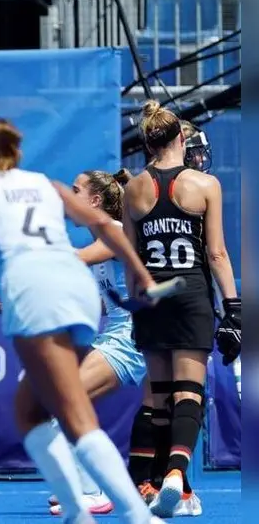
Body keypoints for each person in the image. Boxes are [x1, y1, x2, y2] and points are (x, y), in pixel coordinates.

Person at [0, 117, 167, 524]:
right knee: (32, 407)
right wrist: (140, 271)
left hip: (33, 284)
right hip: (75, 292)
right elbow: (104, 225)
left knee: (63, 409)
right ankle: (79, 508)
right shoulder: (46, 185)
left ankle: (127, 513)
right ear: (17, 153)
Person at [123, 101, 240, 518]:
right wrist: (234, 306)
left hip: (151, 295)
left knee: (157, 398)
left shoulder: (133, 188)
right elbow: (218, 253)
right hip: (189, 293)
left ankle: (167, 484)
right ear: (180, 138)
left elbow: (130, 257)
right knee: (189, 392)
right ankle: (175, 474)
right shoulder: (204, 184)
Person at [43, 168, 144, 516]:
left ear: (95, 201)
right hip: (115, 336)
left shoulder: (114, 231)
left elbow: (71, 259)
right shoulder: (95, 243)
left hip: (132, 340)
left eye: (75, 191)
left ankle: (93, 492)